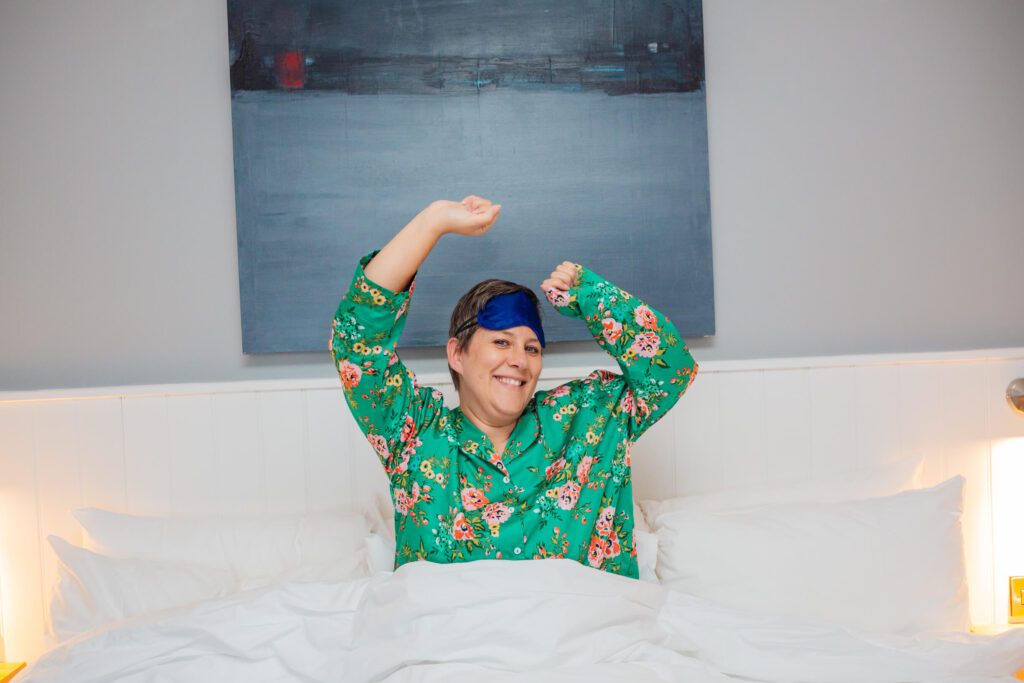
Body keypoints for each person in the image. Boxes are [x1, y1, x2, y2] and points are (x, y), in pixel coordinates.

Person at [330, 195, 698, 578]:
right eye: (501, 342)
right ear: (457, 354)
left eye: (532, 348)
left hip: (582, 630)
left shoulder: (590, 416)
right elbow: (357, 342)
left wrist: (590, 294)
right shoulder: (415, 434)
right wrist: (433, 221)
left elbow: (671, 369)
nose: (520, 361)